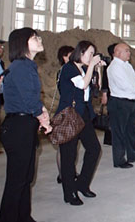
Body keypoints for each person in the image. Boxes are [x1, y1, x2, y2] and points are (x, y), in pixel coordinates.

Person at [0, 28, 52, 222]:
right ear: (22, 43)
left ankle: (23, 217)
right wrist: (42, 117)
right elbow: (28, 99)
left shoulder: (28, 65)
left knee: (26, 177)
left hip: (25, 123)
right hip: (18, 126)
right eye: (34, 37)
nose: (39, 39)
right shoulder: (21, 66)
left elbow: (31, 97)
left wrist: (41, 111)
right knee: (17, 180)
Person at [55, 41, 104, 205]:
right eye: (90, 53)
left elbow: (95, 88)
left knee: (94, 149)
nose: (92, 57)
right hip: (70, 115)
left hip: (83, 114)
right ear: (80, 53)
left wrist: (97, 69)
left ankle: (82, 184)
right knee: (69, 156)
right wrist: (91, 66)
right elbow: (82, 84)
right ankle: (69, 193)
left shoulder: (83, 69)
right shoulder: (68, 68)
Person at [106, 43, 135, 168]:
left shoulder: (127, 65)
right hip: (119, 102)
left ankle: (132, 155)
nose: (129, 53)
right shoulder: (114, 67)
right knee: (119, 132)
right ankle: (119, 160)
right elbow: (123, 84)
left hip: (130, 101)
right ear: (118, 53)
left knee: (130, 130)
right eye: (127, 51)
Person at [53, 45, 74, 185]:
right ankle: (62, 174)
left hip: (72, 110)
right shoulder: (63, 71)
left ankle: (68, 171)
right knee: (63, 146)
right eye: (70, 55)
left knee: (71, 146)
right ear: (64, 57)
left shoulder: (71, 70)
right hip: (65, 111)